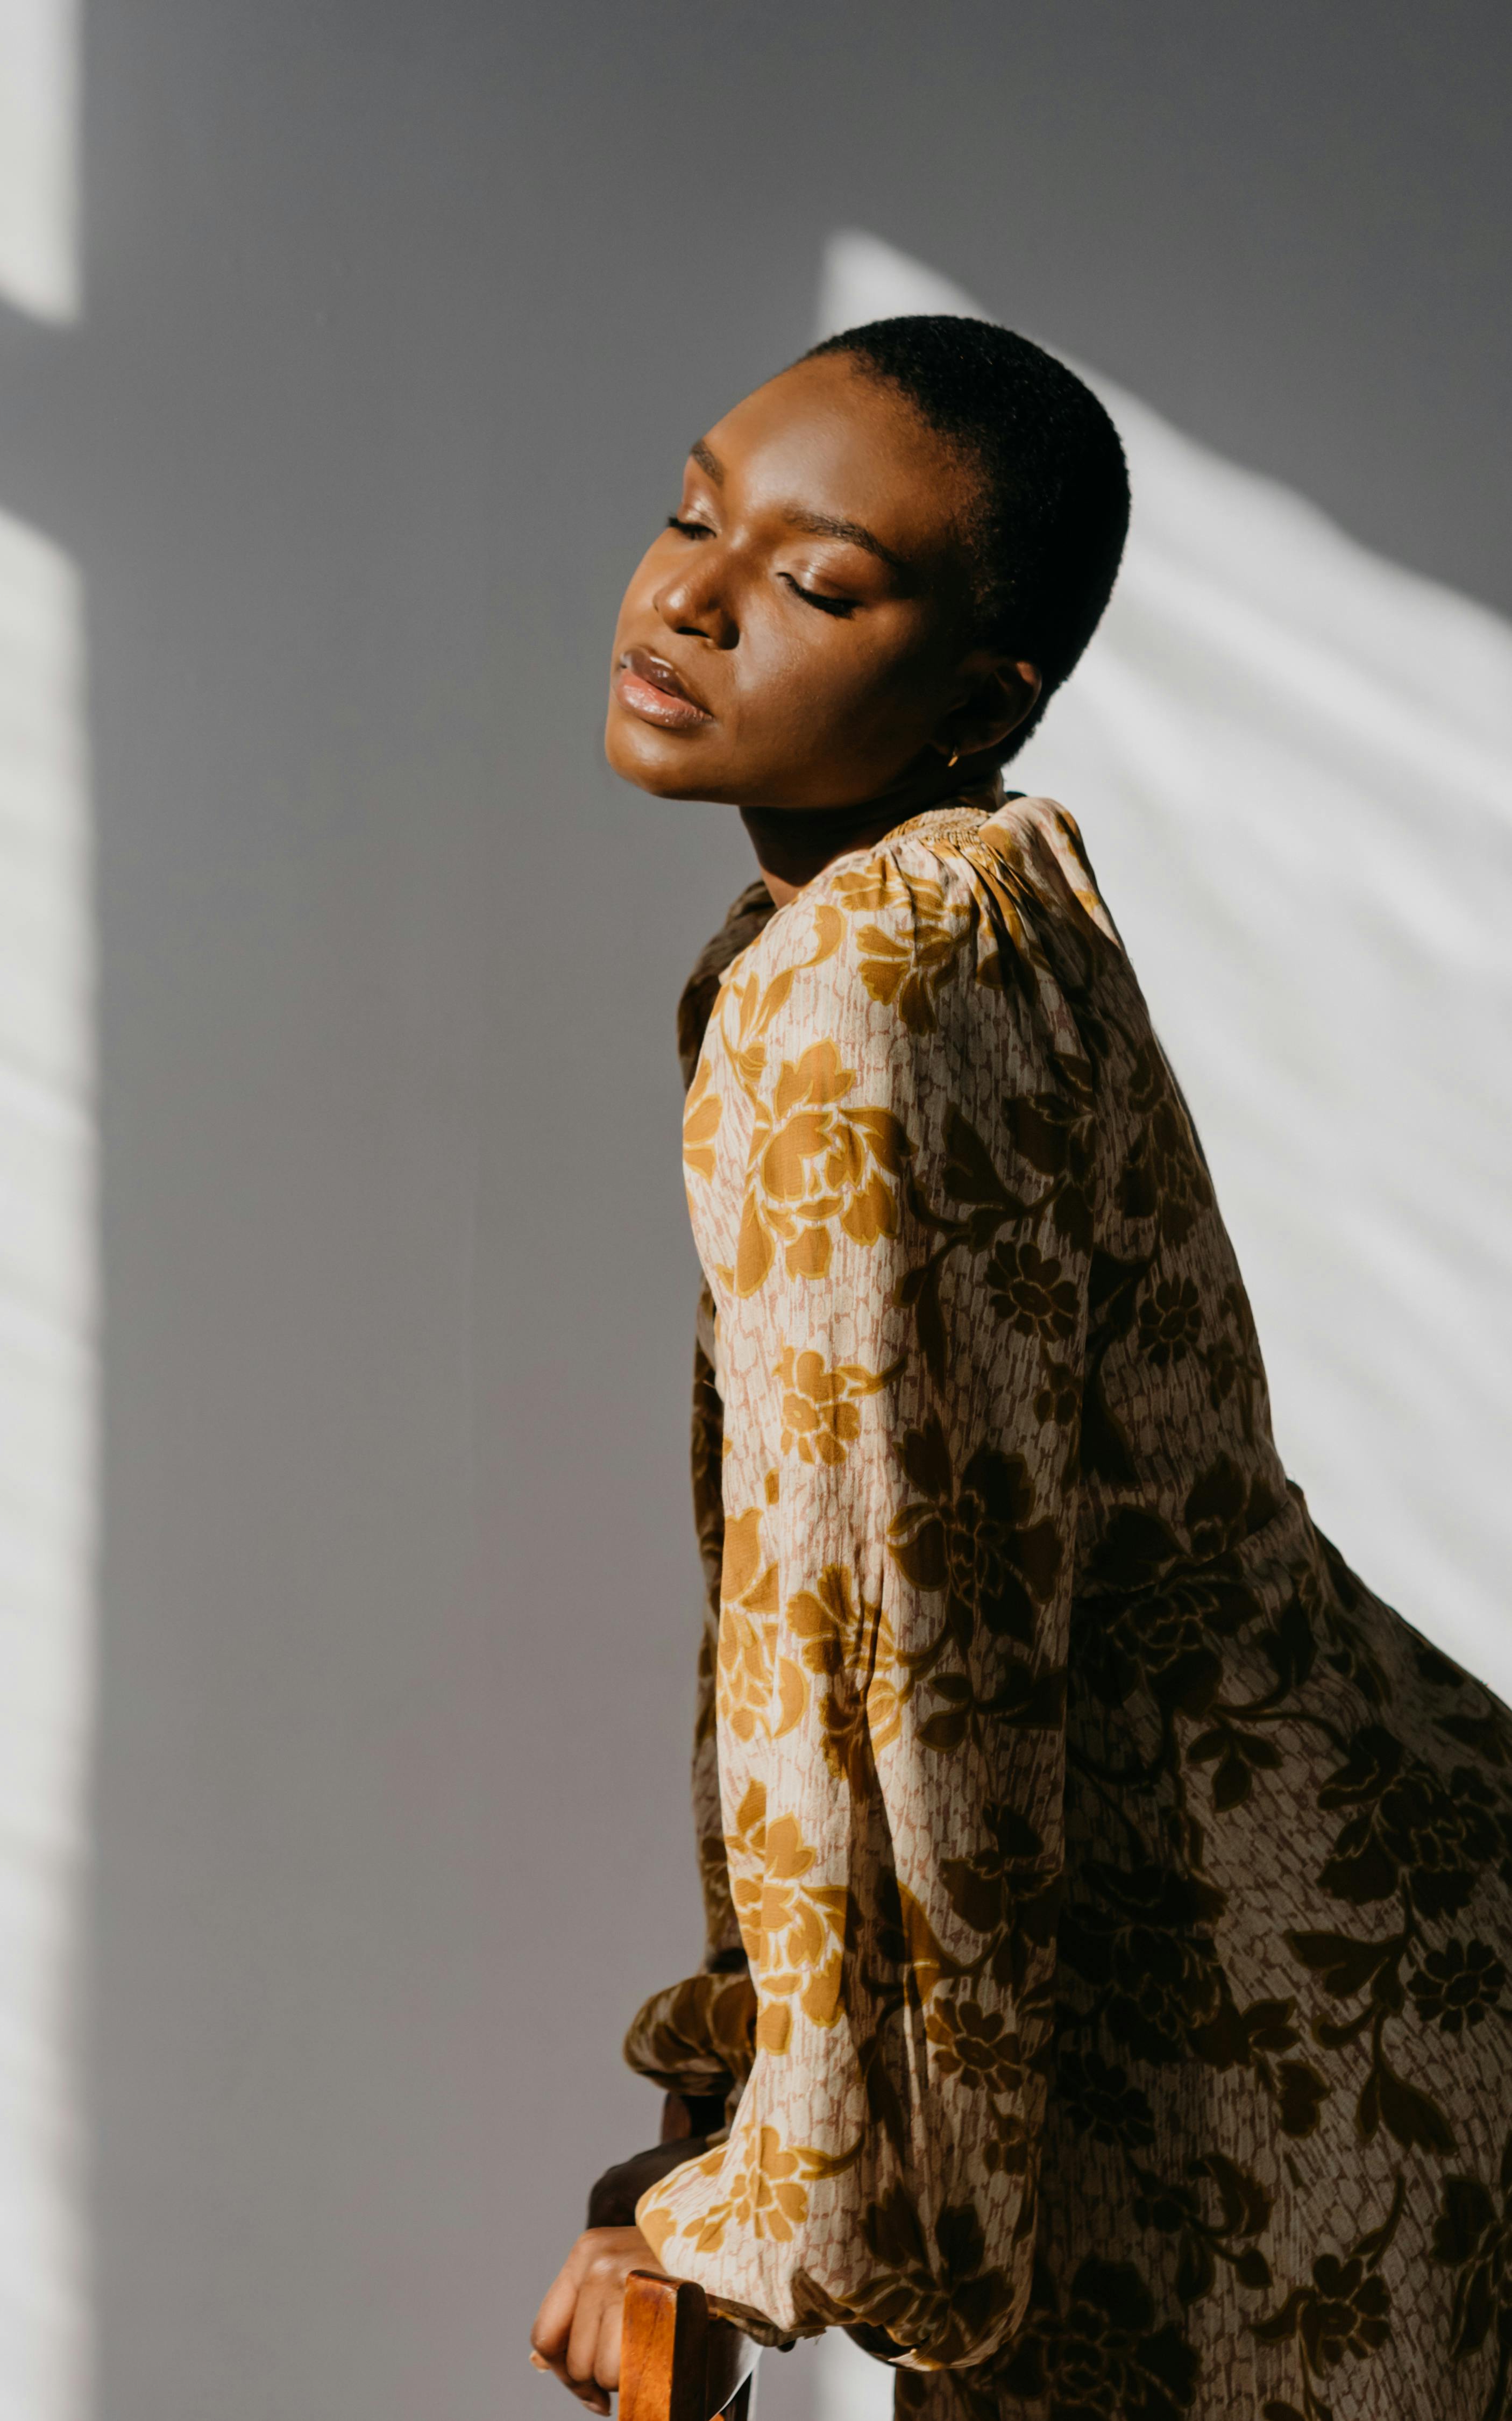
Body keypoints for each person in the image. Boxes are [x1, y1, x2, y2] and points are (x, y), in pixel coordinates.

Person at [529, 317, 1512, 2419]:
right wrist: (763, 2114)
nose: (687, 594)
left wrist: (784, 2193)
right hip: (1286, 1916)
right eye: (695, 511)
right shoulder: (924, 906)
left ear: (984, 697)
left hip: (1262, 2009)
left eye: (815, 582)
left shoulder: (870, 982)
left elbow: (896, 1638)